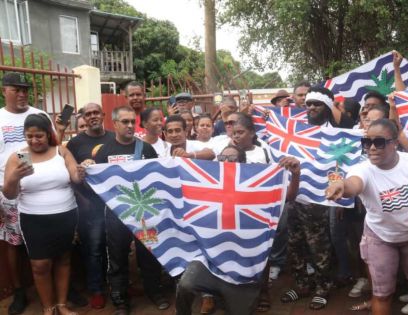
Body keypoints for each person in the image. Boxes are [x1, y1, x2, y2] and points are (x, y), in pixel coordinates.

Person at [326, 118, 408, 315]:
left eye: (379, 142)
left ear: (395, 143)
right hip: (380, 237)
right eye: (366, 142)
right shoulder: (363, 169)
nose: (372, 148)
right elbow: (353, 184)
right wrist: (342, 187)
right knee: (382, 294)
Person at [175, 144, 301, 315]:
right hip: (209, 260)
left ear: (242, 162)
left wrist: (295, 174)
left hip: (244, 267)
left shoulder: (256, 185)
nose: (226, 162)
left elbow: (289, 197)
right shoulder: (205, 184)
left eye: (232, 159)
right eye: (222, 158)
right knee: (185, 285)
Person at [3, 113, 85, 315]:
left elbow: (75, 176)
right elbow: (10, 194)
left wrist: (81, 172)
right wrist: (13, 177)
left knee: (64, 259)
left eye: (38, 136)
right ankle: (48, 307)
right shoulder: (21, 157)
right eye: (29, 136)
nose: (33, 140)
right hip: (33, 218)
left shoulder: (60, 151)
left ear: (48, 134)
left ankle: (62, 304)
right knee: (40, 264)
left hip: (66, 215)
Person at [93, 106, 170, 315]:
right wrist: (87, 167)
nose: (129, 126)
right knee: (117, 257)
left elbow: (157, 180)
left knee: (149, 255)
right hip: (117, 214)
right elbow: (96, 182)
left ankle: (154, 292)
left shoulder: (146, 149)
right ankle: (120, 300)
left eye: (131, 122)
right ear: (115, 124)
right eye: (124, 122)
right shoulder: (103, 151)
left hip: (144, 211)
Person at [0, 72, 53, 315]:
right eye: (15, 89)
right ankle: (19, 291)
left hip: (42, 186)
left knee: (52, 238)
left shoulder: (39, 115)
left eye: (25, 89)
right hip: (8, 190)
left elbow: (55, 144)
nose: (21, 94)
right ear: (4, 91)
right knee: (13, 241)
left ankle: (61, 286)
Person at [280, 87, 336, 311]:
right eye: (309, 103)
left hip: (319, 200)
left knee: (319, 246)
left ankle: (323, 287)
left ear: (327, 107)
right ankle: (302, 284)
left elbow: (339, 167)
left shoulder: (335, 134)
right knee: (294, 244)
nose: (311, 107)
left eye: (317, 104)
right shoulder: (297, 130)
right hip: (294, 196)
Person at [65, 103, 115, 309]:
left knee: (115, 248)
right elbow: (68, 175)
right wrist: (81, 199)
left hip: (114, 202)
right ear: (83, 118)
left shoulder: (114, 138)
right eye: (88, 114)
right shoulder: (74, 144)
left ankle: (117, 285)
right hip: (89, 205)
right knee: (93, 249)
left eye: (96, 113)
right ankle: (96, 289)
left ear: (103, 115)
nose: (93, 116)